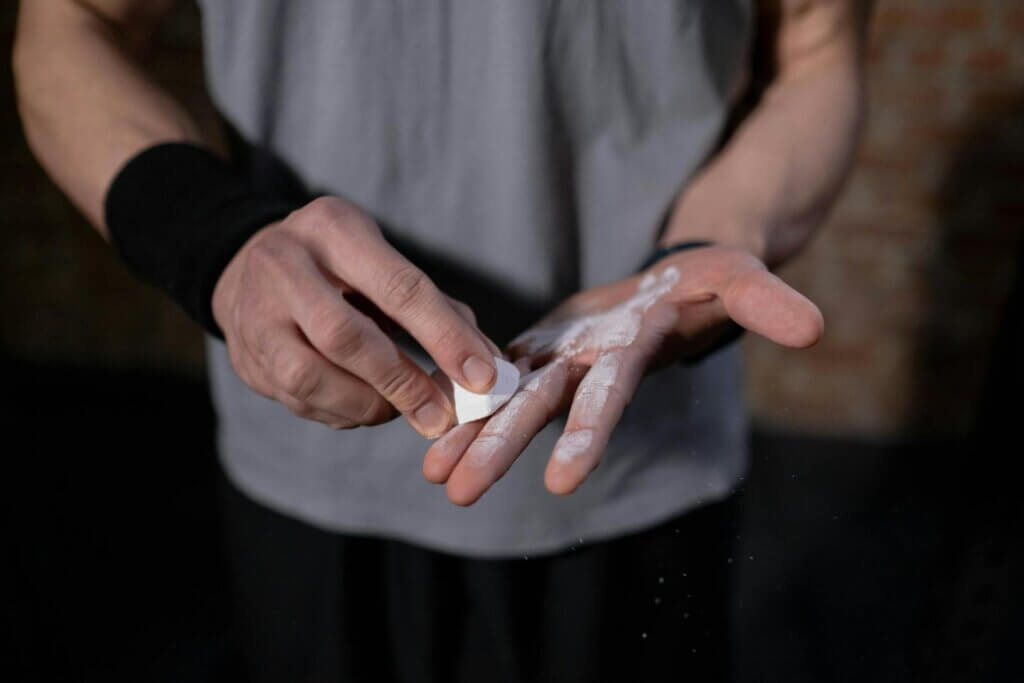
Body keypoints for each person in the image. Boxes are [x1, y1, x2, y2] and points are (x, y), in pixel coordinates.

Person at [13, 0, 871, 680]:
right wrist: (220, 244)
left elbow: (821, 52)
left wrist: (696, 252)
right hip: (311, 469)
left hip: (636, 456)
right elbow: (67, 25)